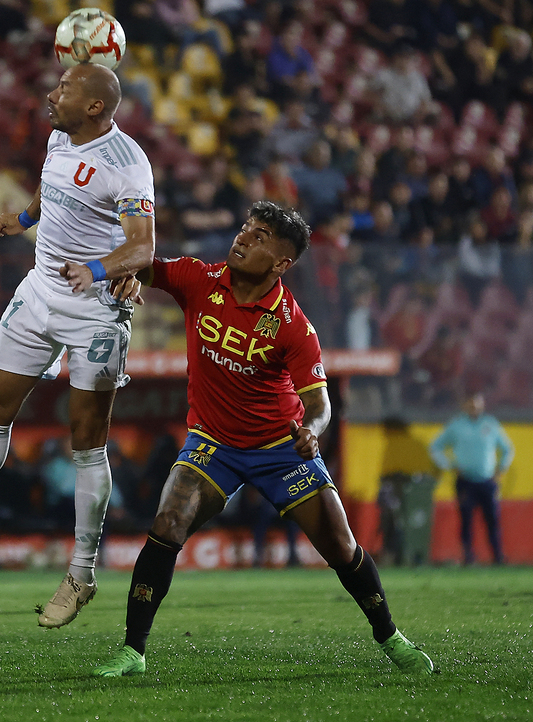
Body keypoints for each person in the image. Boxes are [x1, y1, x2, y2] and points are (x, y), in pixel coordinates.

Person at [92, 201, 434, 678]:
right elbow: (144, 263)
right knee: (168, 520)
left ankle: (389, 636)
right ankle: (133, 651)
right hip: (213, 443)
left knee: (340, 545)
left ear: (281, 263)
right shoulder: (198, 279)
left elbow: (320, 405)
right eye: (246, 228)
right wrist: (128, 274)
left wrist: (311, 436)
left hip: (280, 448)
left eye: (260, 236)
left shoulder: (293, 325)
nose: (244, 237)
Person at [0, 63, 156, 630]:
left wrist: (97, 268)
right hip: (39, 291)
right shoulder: (59, 137)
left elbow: (142, 246)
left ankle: (81, 575)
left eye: (63, 89)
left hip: (95, 309)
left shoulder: (128, 165)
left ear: (95, 107)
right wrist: (22, 218)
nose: (50, 95)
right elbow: (52, 188)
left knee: (86, 442)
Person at [428, 393, 514, 565]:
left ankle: (498, 557)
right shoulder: (456, 426)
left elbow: (507, 448)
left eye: (477, 405)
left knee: (493, 520)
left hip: (487, 481)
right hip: (465, 481)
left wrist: (501, 468)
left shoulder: (490, 424)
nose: (474, 408)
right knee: (466, 521)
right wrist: (449, 465)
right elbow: (435, 447)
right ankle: (469, 557)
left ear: (482, 406)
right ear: (465, 406)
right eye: (471, 405)